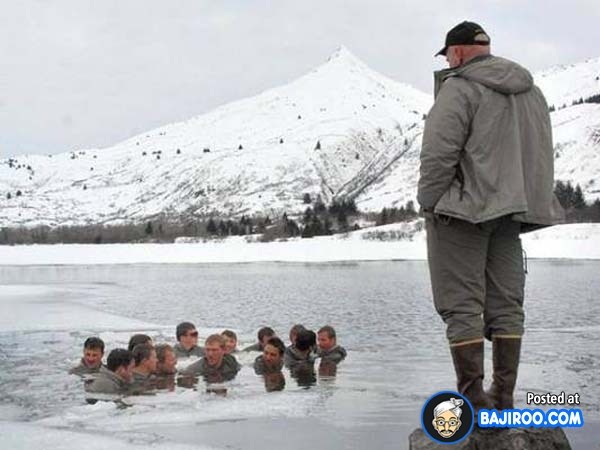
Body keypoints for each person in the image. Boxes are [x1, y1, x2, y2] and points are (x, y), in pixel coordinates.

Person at [418, 21, 564, 413]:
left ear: (460, 52)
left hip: (462, 212)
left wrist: (429, 203)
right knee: (507, 305)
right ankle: (504, 397)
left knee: (461, 306)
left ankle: (473, 401)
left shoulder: (459, 87)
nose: (448, 60)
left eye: (448, 54)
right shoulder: (531, 92)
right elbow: (540, 154)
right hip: (511, 213)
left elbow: (437, 155)